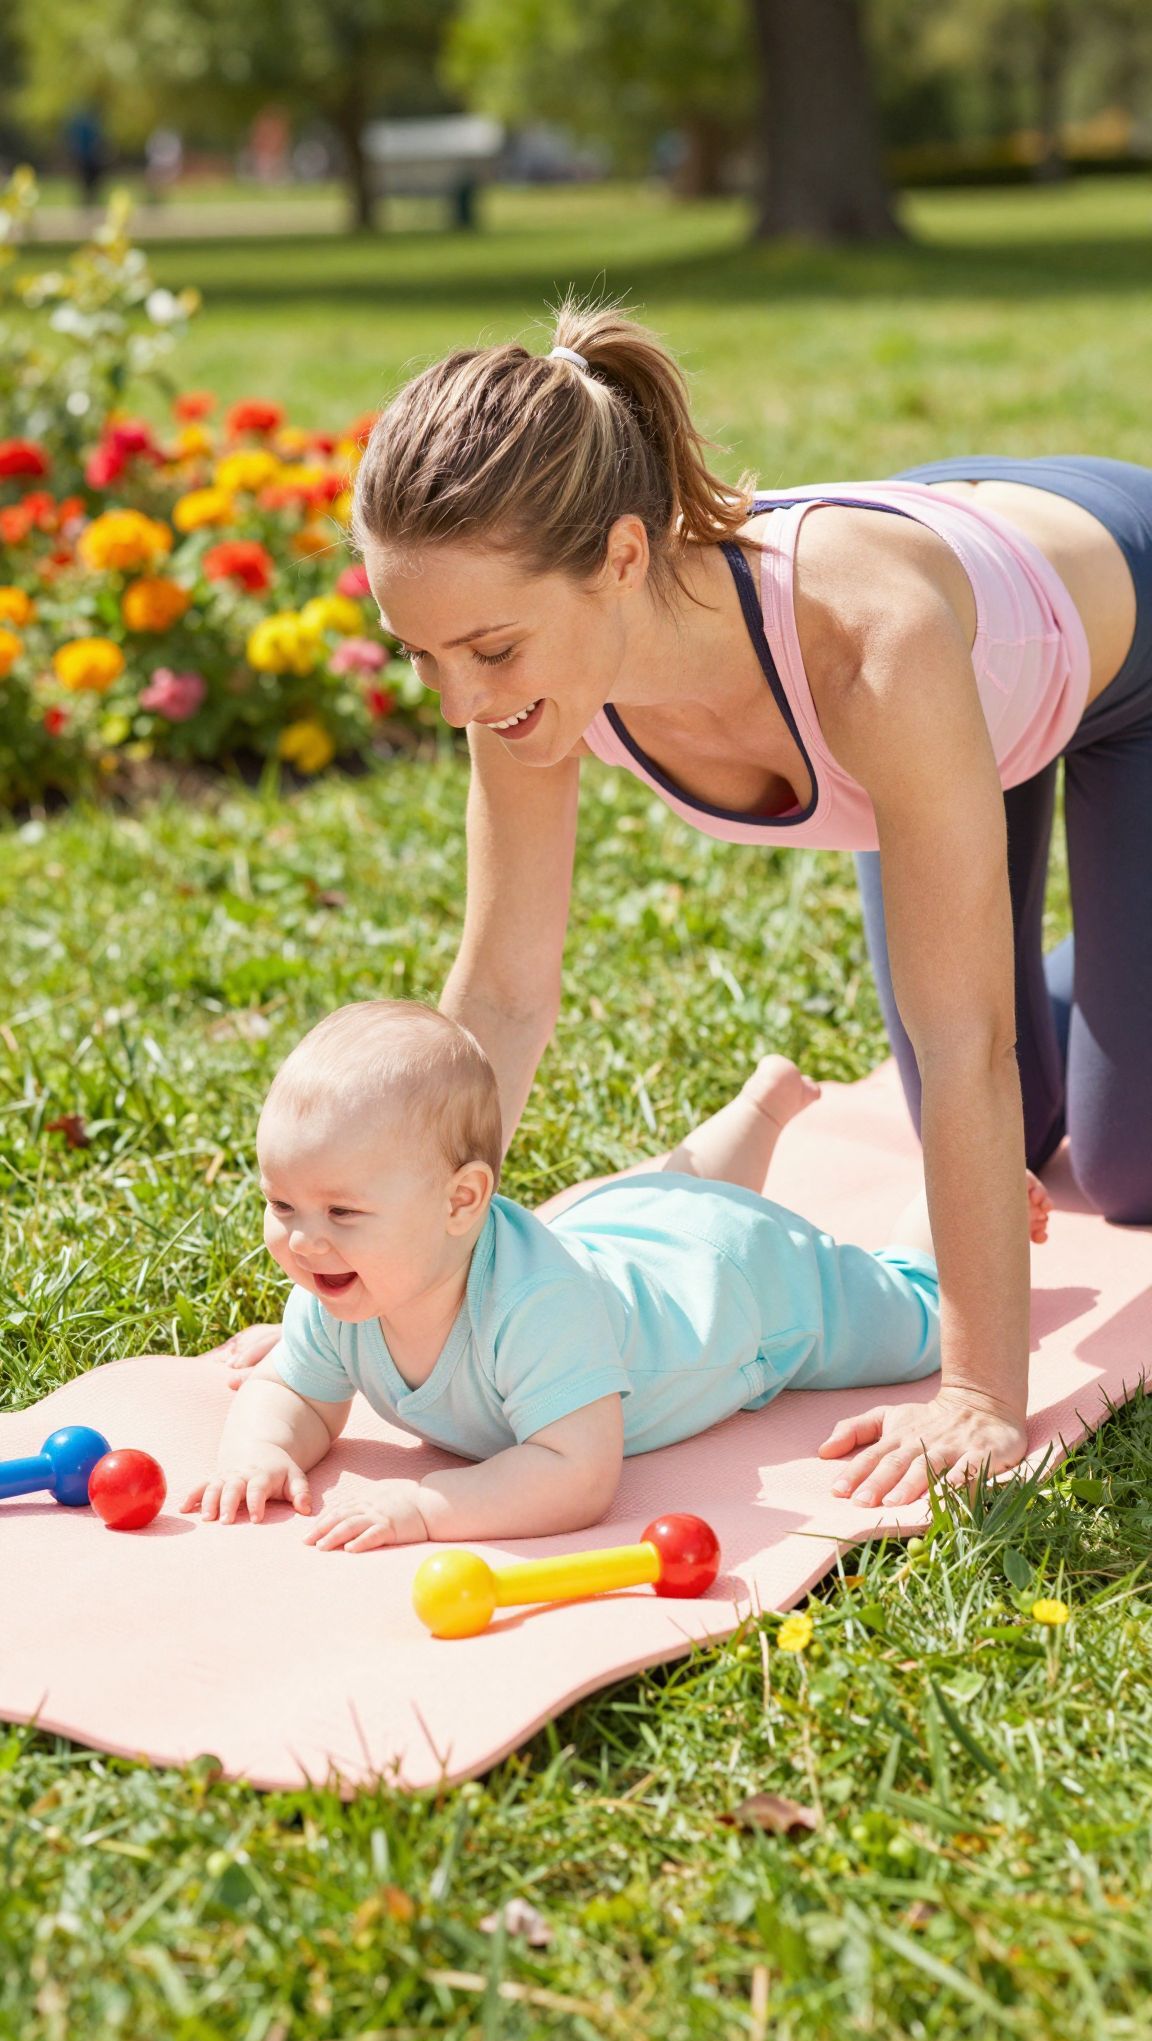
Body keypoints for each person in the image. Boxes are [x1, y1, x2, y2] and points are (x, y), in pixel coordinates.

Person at [214, 298, 1151, 1510]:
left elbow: (964, 1037)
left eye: (487, 650)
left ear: (620, 557)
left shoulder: (870, 646)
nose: (458, 701)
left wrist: (977, 1393)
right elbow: (503, 991)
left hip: (1111, 635)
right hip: (956, 625)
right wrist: (377, 1281)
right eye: (420, 654)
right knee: (1008, 1133)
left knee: (1126, 1162)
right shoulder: (521, 674)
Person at [183, 1002, 1051, 1549]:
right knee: (674, 1196)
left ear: (462, 1202)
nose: (303, 1240)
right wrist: (260, 1450)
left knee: (918, 1321)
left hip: (739, 1289)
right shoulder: (340, 1283)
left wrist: (427, 1508)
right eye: (282, 1204)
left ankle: (954, 1208)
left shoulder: (533, 1310)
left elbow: (575, 1472)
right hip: (628, 1224)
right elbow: (294, 1391)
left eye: (341, 1212)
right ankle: (759, 1108)